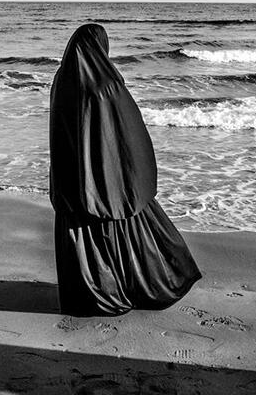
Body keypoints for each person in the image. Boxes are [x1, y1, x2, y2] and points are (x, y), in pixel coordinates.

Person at [49, 23, 201, 316]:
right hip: (107, 176)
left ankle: (91, 295)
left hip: (71, 178)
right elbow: (126, 130)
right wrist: (135, 171)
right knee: (117, 223)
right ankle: (126, 287)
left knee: (83, 232)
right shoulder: (107, 84)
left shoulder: (62, 80)